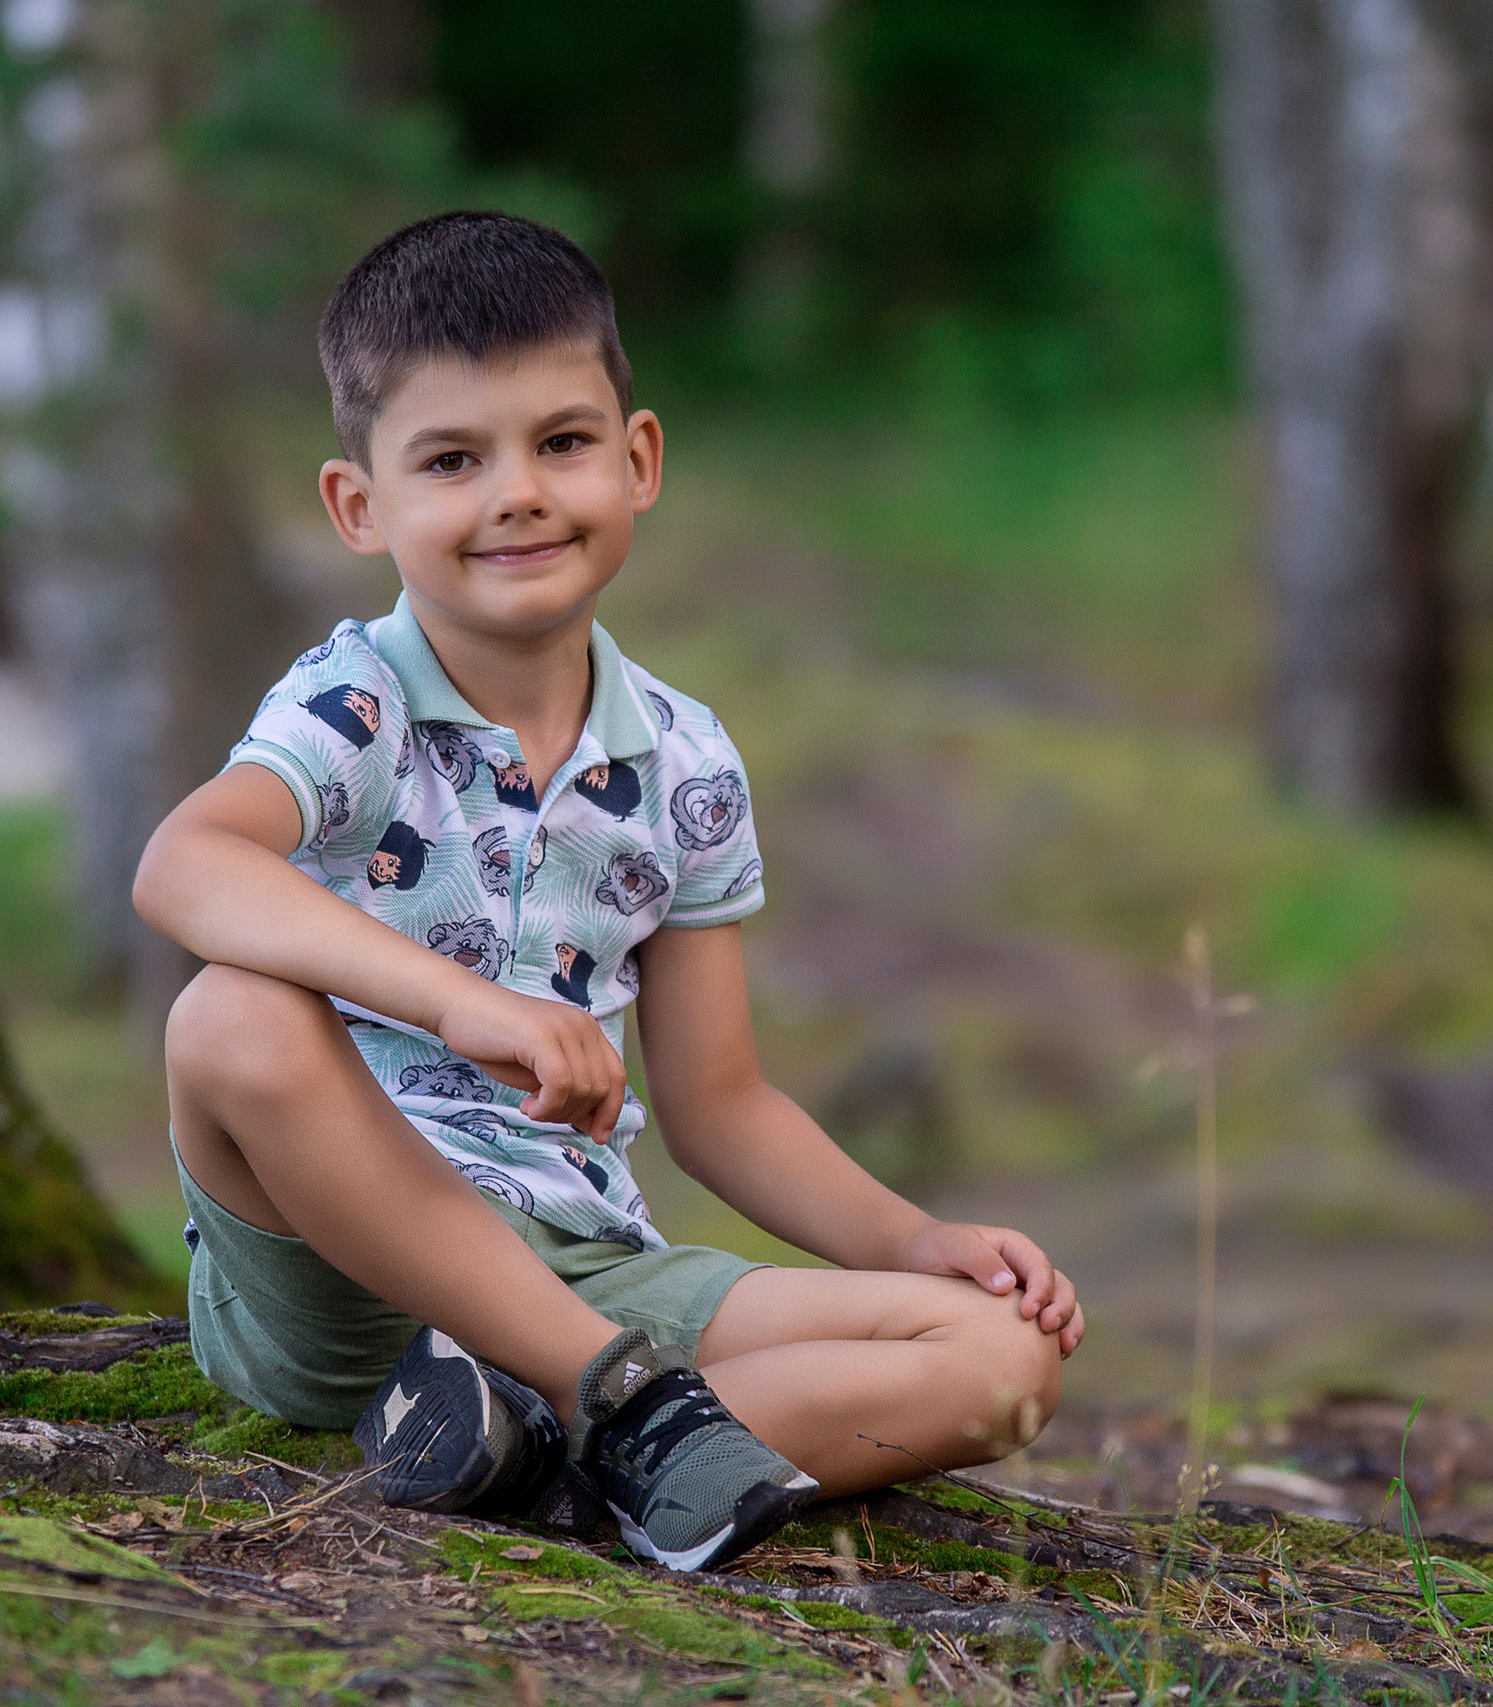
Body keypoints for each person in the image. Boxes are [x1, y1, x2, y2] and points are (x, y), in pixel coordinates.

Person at [133, 212, 1083, 1573]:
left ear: (637, 463)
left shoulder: (686, 760)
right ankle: (617, 1405)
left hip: (589, 1256)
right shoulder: (353, 705)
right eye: (452, 460)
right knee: (226, 1018)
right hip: (345, 1274)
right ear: (361, 506)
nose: (516, 492)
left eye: (560, 443)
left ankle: (522, 1455)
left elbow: (722, 1106)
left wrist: (918, 1236)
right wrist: (463, 1005)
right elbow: (184, 863)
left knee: (1000, 1363)